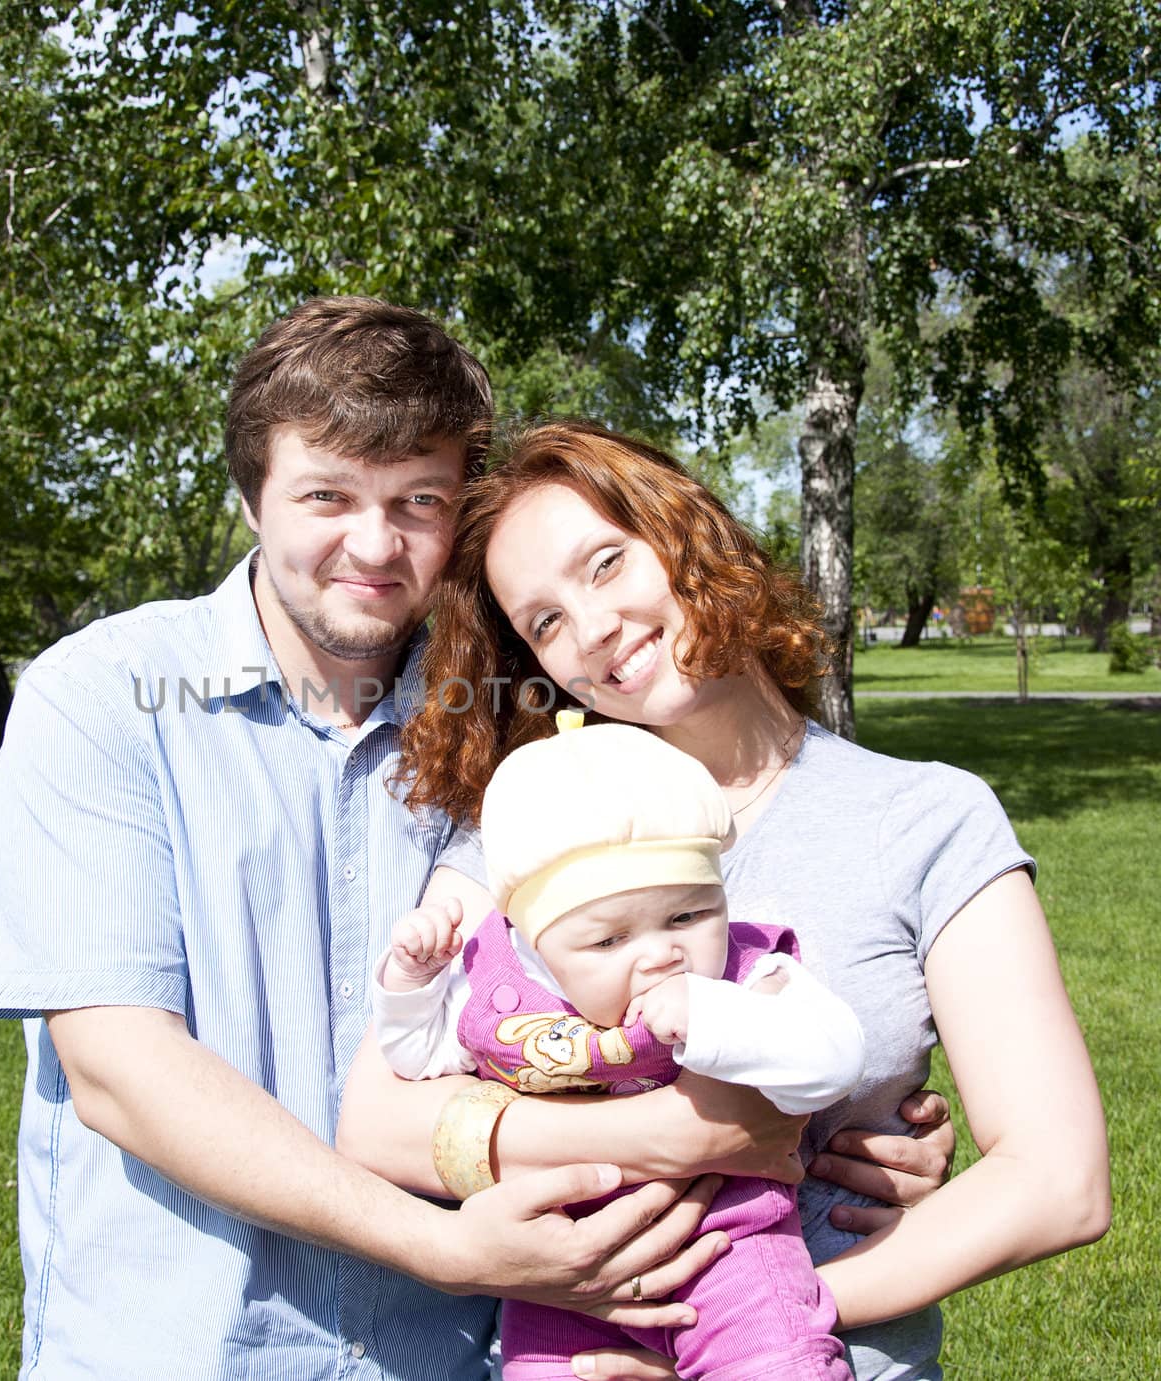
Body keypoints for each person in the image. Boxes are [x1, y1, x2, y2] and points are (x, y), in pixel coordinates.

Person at [0, 302, 747, 1381]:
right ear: (251, 497)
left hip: (456, 1356)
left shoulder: (514, 716)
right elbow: (117, 1069)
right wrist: (438, 1245)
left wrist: (855, 1121)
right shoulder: (99, 699)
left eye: (418, 501)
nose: (375, 546)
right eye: (326, 496)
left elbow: (652, 956)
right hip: (184, 1349)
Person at [338, 418, 1109, 1381]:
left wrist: (750, 1317)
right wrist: (653, 1146)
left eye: (607, 563)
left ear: (685, 529)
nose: (593, 630)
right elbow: (375, 1122)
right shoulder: (529, 825)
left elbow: (1058, 1180)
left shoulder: (921, 818)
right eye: (543, 621)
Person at [376, 717, 866, 1379]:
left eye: (689, 915)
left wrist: (715, 1017)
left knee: (777, 1363)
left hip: (730, 1248)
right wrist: (411, 986)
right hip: (558, 1272)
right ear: (534, 943)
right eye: (609, 941)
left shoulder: (745, 974)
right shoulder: (503, 991)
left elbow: (835, 1055)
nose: (662, 950)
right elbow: (418, 1058)